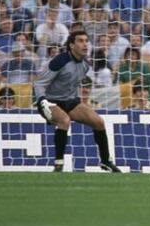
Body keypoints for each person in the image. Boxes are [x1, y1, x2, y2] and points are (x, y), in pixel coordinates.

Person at [33, 31, 121, 173]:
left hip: (70, 101)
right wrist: (42, 100)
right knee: (64, 121)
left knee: (98, 122)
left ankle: (105, 161)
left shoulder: (85, 65)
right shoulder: (59, 61)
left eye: (86, 40)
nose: (85, 44)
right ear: (72, 45)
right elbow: (38, 84)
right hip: (49, 101)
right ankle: (59, 164)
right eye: (80, 41)